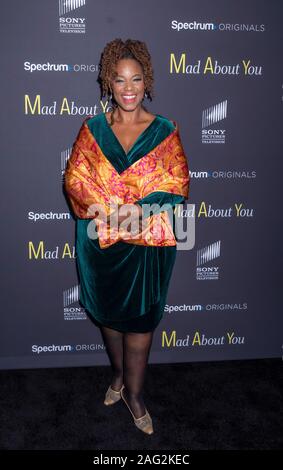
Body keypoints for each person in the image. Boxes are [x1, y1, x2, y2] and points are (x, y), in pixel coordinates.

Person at [64, 38, 190, 435]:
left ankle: (135, 396)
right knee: (110, 320)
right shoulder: (93, 129)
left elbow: (178, 183)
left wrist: (140, 207)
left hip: (147, 246)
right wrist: (116, 206)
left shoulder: (165, 131)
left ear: (146, 80)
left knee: (140, 323)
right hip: (100, 243)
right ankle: (117, 377)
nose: (129, 88)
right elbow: (75, 181)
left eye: (136, 79)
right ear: (109, 83)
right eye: (120, 80)